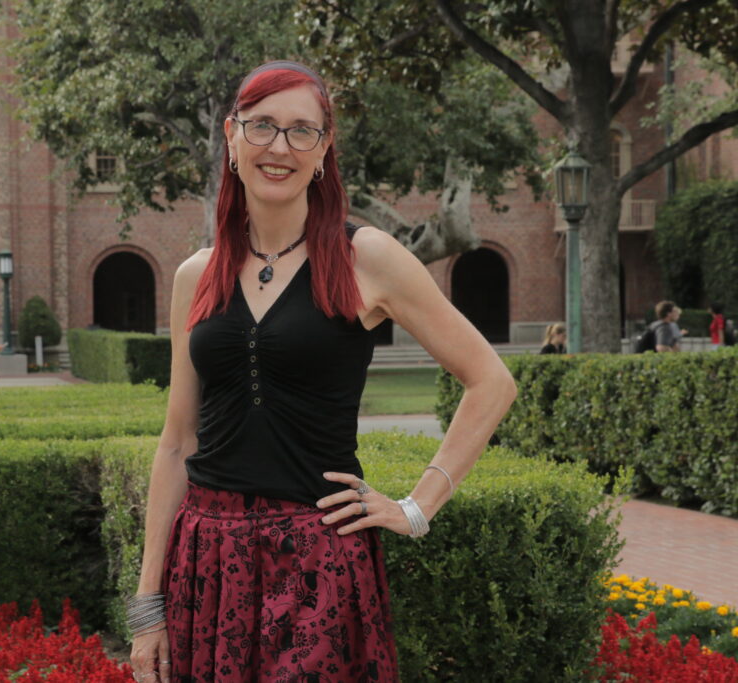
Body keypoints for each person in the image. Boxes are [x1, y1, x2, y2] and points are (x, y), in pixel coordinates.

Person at [127, 60, 517, 683]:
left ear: (323, 150)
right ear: (231, 137)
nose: (279, 147)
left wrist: (417, 507)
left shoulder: (367, 258)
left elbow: (491, 381)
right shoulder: (195, 276)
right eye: (261, 127)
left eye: (301, 131)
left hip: (316, 558)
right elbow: (177, 443)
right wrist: (147, 605)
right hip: (207, 557)